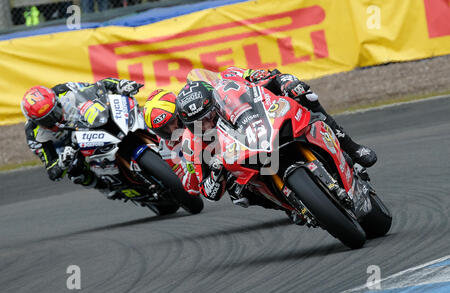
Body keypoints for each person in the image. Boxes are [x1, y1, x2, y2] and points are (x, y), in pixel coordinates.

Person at [175, 67, 377, 207]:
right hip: (240, 161)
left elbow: (270, 75)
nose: (207, 124)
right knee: (239, 194)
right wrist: (217, 172)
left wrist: (287, 83)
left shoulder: (230, 78)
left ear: (214, 102)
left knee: (305, 95)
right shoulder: (190, 142)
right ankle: (288, 205)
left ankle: (351, 147)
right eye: (198, 124)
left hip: (261, 122)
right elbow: (208, 192)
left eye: (209, 116)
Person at [21, 78, 142, 190]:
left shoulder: (64, 90)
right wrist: (62, 163)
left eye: (55, 111)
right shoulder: (33, 135)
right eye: (46, 120)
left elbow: (98, 87)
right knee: (75, 172)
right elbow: (52, 171)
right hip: (67, 147)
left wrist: (119, 84)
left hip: (83, 123)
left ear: (57, 101)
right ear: (35, 121)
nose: (54, 119)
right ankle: (105, 188)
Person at [142, 89, 200, 196]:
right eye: (165, 129)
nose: (173, 130)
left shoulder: (195, 107)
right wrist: (191, 164)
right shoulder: (166, 147)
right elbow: (191, 189)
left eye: (173, 121)